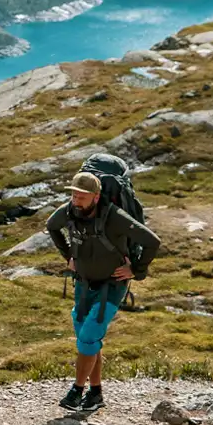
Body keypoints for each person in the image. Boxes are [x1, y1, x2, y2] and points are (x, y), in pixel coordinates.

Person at [45, 170, 141, 411]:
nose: (76, 200)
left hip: (112, 286)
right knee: (88, 341)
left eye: (81, 197)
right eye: (74, 195)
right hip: (84, 283)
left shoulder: (115, 216)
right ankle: (96, 393)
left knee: (88, 338)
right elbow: (51, 226)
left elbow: (151, 241)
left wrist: (136, 270)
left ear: (96, 197)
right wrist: (68, 255)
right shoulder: (69, 211)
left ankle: (76, 391)